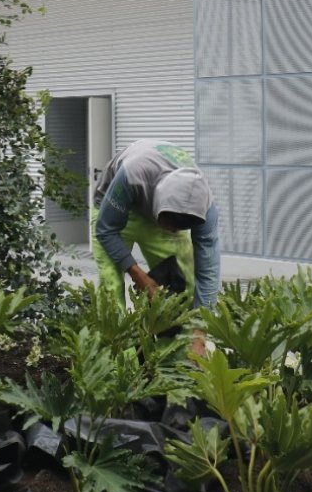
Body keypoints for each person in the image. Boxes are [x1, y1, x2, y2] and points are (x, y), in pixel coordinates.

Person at [92, 138, 220, 353]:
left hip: (160, 211)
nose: (172, 231)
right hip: (116, 211)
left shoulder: (205, 207)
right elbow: (106, 230)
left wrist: (200, 332)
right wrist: (139, 276)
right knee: (111, 292)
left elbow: (207, 273)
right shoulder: (132, 175)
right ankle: (117, 364)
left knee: (183, 286)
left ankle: (177, 360)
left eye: (178, 228)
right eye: (170, 225)